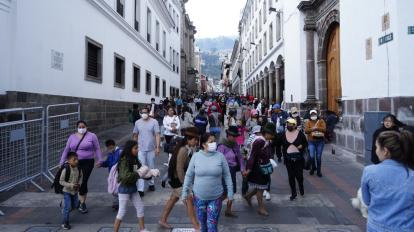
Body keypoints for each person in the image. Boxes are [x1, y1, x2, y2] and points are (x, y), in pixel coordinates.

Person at [361, 130, 414, 232]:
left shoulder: (369, 171)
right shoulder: (411, 176)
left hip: (375, 227)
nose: (376, 151)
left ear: (385, 151)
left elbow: (367, 201)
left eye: (376, 147)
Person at [181, 133, 234, 232]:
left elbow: (227, 175)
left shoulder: (220, 156)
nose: (214, 143)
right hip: (199, 197)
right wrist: (184, 192)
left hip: (216, 197)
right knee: (203, 226)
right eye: (211, 142)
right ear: (204, 144)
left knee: (212, 226)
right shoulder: (196, 156)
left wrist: (230, 193)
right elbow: (189, 175)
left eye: (215, 141)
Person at [159, 127, 200, 230]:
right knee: (189, 201)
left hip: (178, 179)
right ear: (189, 139)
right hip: (177, 180)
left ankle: (162, 220)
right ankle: (197, 226)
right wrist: (184, 184)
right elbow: (179, 168)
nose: (196, 142)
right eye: (195, 139)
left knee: (173, 199)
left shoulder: (188, 148)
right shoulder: (183, 150)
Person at [60, 120, 103, 214]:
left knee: (83, 181)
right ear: (77, 127)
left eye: (83, 127)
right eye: (80, 127)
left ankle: (82, 203)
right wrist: (62, 162)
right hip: (74, 162)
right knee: (74, 181)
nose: (81, 128)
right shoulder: (72, 137)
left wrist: (100, 160)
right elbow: (67, 149)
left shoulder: (92, 136)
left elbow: (97, 148)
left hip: (88, 162)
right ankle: (74, 200)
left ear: (86, 127)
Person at [114, 140, 149, 232]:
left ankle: (142, 229)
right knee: (122, 212)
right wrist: (139, 173)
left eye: (137, 148)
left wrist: (150, 174)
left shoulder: (135, 159)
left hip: (133, 188)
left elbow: (141, 171)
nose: (137, 150)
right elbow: (125, 177)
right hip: (124, 189)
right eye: (135, 148)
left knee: (140, 207)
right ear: (129, 149)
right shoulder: (124, 160)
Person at [243, 123, 275, 216]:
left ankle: (248, 196)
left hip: (263, 167)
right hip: (257, 168)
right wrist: (249, 169)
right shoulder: (260, 141)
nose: (273, 136)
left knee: (261, 186)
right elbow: (253, 155)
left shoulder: (266, 141)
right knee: (261, 188)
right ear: (267, 133)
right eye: (272, 134)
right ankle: (261, 208)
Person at [217, 126, 245, 218]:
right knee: (225, 192)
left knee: (232, 191)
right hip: (224, 171)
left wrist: (242, 169)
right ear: (228, 135)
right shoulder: (222, 145)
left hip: (232, 170)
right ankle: (213, 206)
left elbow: (240, 157)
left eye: (235, 136)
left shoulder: (235, 144)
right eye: (232, 136)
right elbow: (218, 160)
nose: (234, 138)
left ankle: (228, 210)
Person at [132, 107, 161, 196]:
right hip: (140, 149)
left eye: (146, 112)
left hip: (151, 149)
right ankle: (140, 189)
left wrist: (157, 147)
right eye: (142, 112)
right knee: (140, 168)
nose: (144, 114)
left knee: (151, 167)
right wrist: (134, 147)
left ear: (149, 113)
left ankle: (151, 184)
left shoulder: (154, 122)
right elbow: (135, 135)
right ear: (140, 113)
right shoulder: (137, 122)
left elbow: (157, 135)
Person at [281, 118, 308, 201]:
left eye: (290, 124)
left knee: (299, 176)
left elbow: (305, 143)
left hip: (298, 158)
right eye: (287, 124)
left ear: (294, 125)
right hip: (288, 158)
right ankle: (293, 193)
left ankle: (301, 187)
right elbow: (281, 144)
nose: (289, 125)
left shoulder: (300, 134)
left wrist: (302, 146)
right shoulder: (284, 134)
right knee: (291, 176)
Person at [60, 152, 83, 230]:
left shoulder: (79, 168)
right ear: (69, 161)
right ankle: (65, 223)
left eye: (77, 159)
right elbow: (61, 181)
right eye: (74, 160)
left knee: (75, 206)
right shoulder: (65, 170)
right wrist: (71, 185)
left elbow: (81, 177)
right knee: (67, 207)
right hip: (67, 191)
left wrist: (79, 184)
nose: (76, 161)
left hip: (75, 192)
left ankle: (64, 206)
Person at [101, 139, 122, 210]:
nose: (108, 149)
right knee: (114, 189)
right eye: (108, 148)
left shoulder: (120, 152)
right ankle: (118, 203)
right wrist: (101, 164)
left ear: (112, 145)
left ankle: (117, 203)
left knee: (117, 189)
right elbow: (107, 163)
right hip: (112, 175)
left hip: (119, 174)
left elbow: (115, 163)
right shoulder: (110, 153)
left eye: (109, 147)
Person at [304, 110, 326, 177]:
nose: (313, 116)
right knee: (312, 156)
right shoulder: (308, 122)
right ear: (310, 115)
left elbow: (324, 129)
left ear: (317, 114)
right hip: (311, 141)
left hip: (320, 141)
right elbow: (306, 131)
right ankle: (313, 167)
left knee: (318, 157)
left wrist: (317, 128)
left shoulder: (321, 121)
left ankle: (319, 171)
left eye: (314, 114)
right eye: (312, 114)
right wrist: (313, 129)